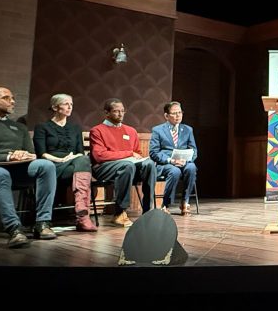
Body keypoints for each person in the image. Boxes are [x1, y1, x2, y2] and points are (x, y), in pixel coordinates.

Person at [0, 87, 58, 248]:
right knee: (0, 174)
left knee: (46, 165)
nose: (12, 101)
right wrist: (8, 156)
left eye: (13, 98)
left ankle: (42, 223)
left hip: (16, 171)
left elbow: (31, 153)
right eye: (7, 98)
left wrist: (26, 155)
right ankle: (14, 229)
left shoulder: (19, 128)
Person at [89, 98, 158, 227]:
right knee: (127, 165)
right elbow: (99, 156)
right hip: (104, 168)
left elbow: (137, 153)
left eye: (122, 111)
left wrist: (134, 156)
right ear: (107, 113)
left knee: (149, 164)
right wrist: (128, 154)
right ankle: (119, 213)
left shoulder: (131, 131)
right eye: (116, 111)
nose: (120, 114)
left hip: (129, 167)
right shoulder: (97, 130)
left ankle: (148, 211)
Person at [33, 93, 97, 231]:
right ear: (55, 107)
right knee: (83, 164)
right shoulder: (42, 127)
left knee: (83, 158)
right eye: (66, 103)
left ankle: (82, 212)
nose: (70, 107)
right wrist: (61, 159)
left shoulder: (75, 128)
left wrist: (72, 158)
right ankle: (83, 216)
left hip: (74, 165)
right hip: (52, 166)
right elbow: (41, 154)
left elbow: (80, 151)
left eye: (71, 104)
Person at [149, 101, 198, 216]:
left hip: (184, 161)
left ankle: (185, 201)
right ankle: (165, 204)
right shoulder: (158, 130)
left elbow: (194, 150)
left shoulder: (188, 129)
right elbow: (154, 152)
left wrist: (186, 160)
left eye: (180, 112)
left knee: (191, 167)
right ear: (166, 116)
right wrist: (171, 160)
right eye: (174, 113)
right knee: (174, 171)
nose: (178, 116)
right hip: (166, 164)